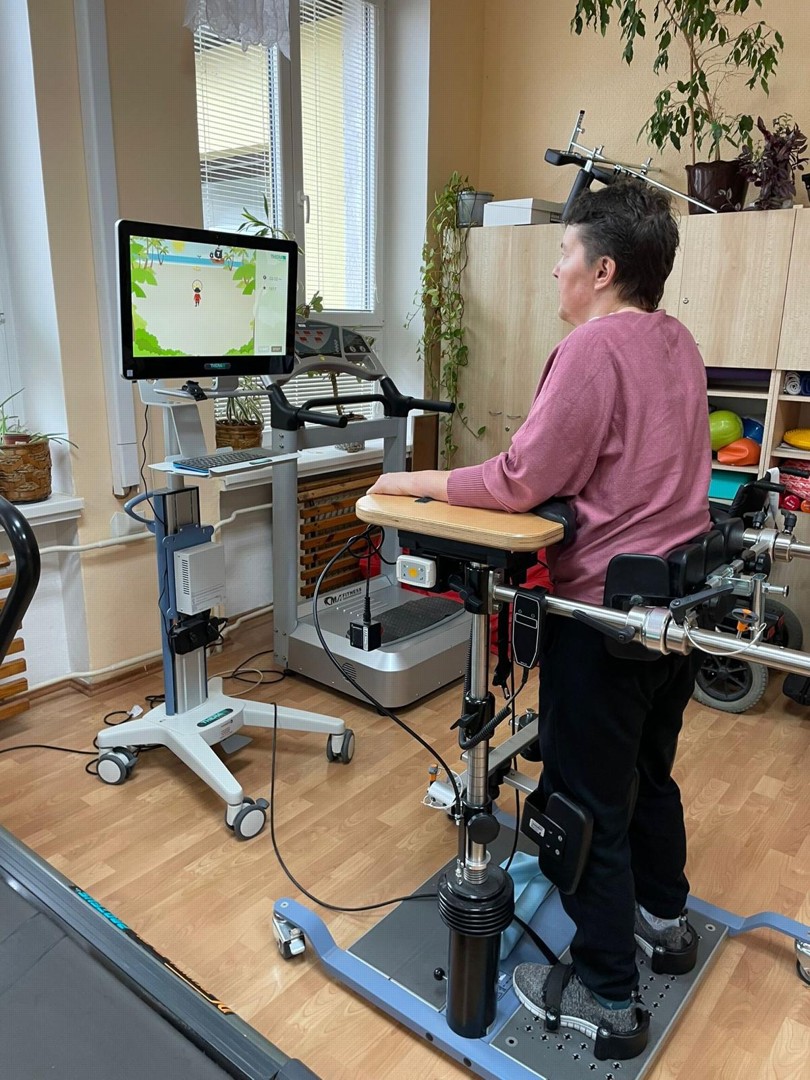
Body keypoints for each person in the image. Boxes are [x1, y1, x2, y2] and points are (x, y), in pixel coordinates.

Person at [368, 177, 711, 1058]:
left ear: (602, 269)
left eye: (563, 254)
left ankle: (609, 999)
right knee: (649, 776)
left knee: (583, 804)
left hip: (602, 620)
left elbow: (521, 478)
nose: (555, 269)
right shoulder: (677, 341)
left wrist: (412, 479)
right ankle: (666, 924)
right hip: (672, 608)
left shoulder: (592, 349)